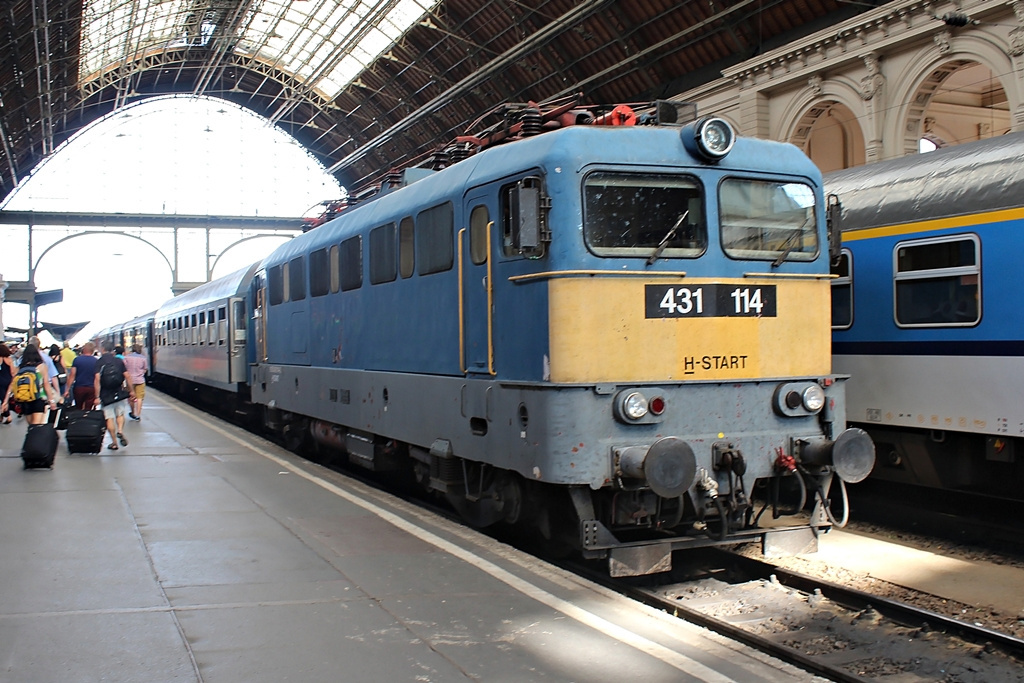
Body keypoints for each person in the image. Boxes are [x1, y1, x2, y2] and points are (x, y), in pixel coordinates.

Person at [94, 340, 134, 450]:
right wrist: (131, 391)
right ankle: (120, 430)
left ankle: (114, 443)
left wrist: (97, 396)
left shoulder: (99, 362)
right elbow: (127, 376)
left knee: (109, 418)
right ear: (112, 350)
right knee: (120, 414)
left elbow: (97, 379)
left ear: (102, 349)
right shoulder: (118, 361)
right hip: (118, 392)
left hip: (105, 394)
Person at [10, 345, 58, 425]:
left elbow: (13, 383)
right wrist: (51, 400)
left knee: (31, 425)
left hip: (25, 398)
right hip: (38, 399)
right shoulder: (42, 366)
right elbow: (46, 385)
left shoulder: (20, 368)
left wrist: (6, 399)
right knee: (36, 426)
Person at [67, 341, 99, 409]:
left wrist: (67, 389)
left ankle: (79, 418)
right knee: (88, 409)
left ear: (83, 349)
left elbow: (72, 375)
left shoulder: (77, 360)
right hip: (91, 388)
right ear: (92, 351)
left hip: (79, 388)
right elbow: (97, 379)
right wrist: (97, 396)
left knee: (78, 407)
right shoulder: (96, 361)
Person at [123, 344, 148, 421]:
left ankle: (132, 412)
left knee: (131, 397)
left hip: (130, 380)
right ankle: (138, 415)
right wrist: (141, 373)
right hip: (140, 380)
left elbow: (124, 368)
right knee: (140, 397)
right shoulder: (143, 358)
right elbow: (145, 368)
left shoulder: (127, 358)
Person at [0, 342, 15, 424]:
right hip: (9, 380)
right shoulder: (9, 359)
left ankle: (8, 416)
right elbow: (13, 372)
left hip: (1, 381)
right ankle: (2, 416)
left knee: (3, 399)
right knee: (5, 397)